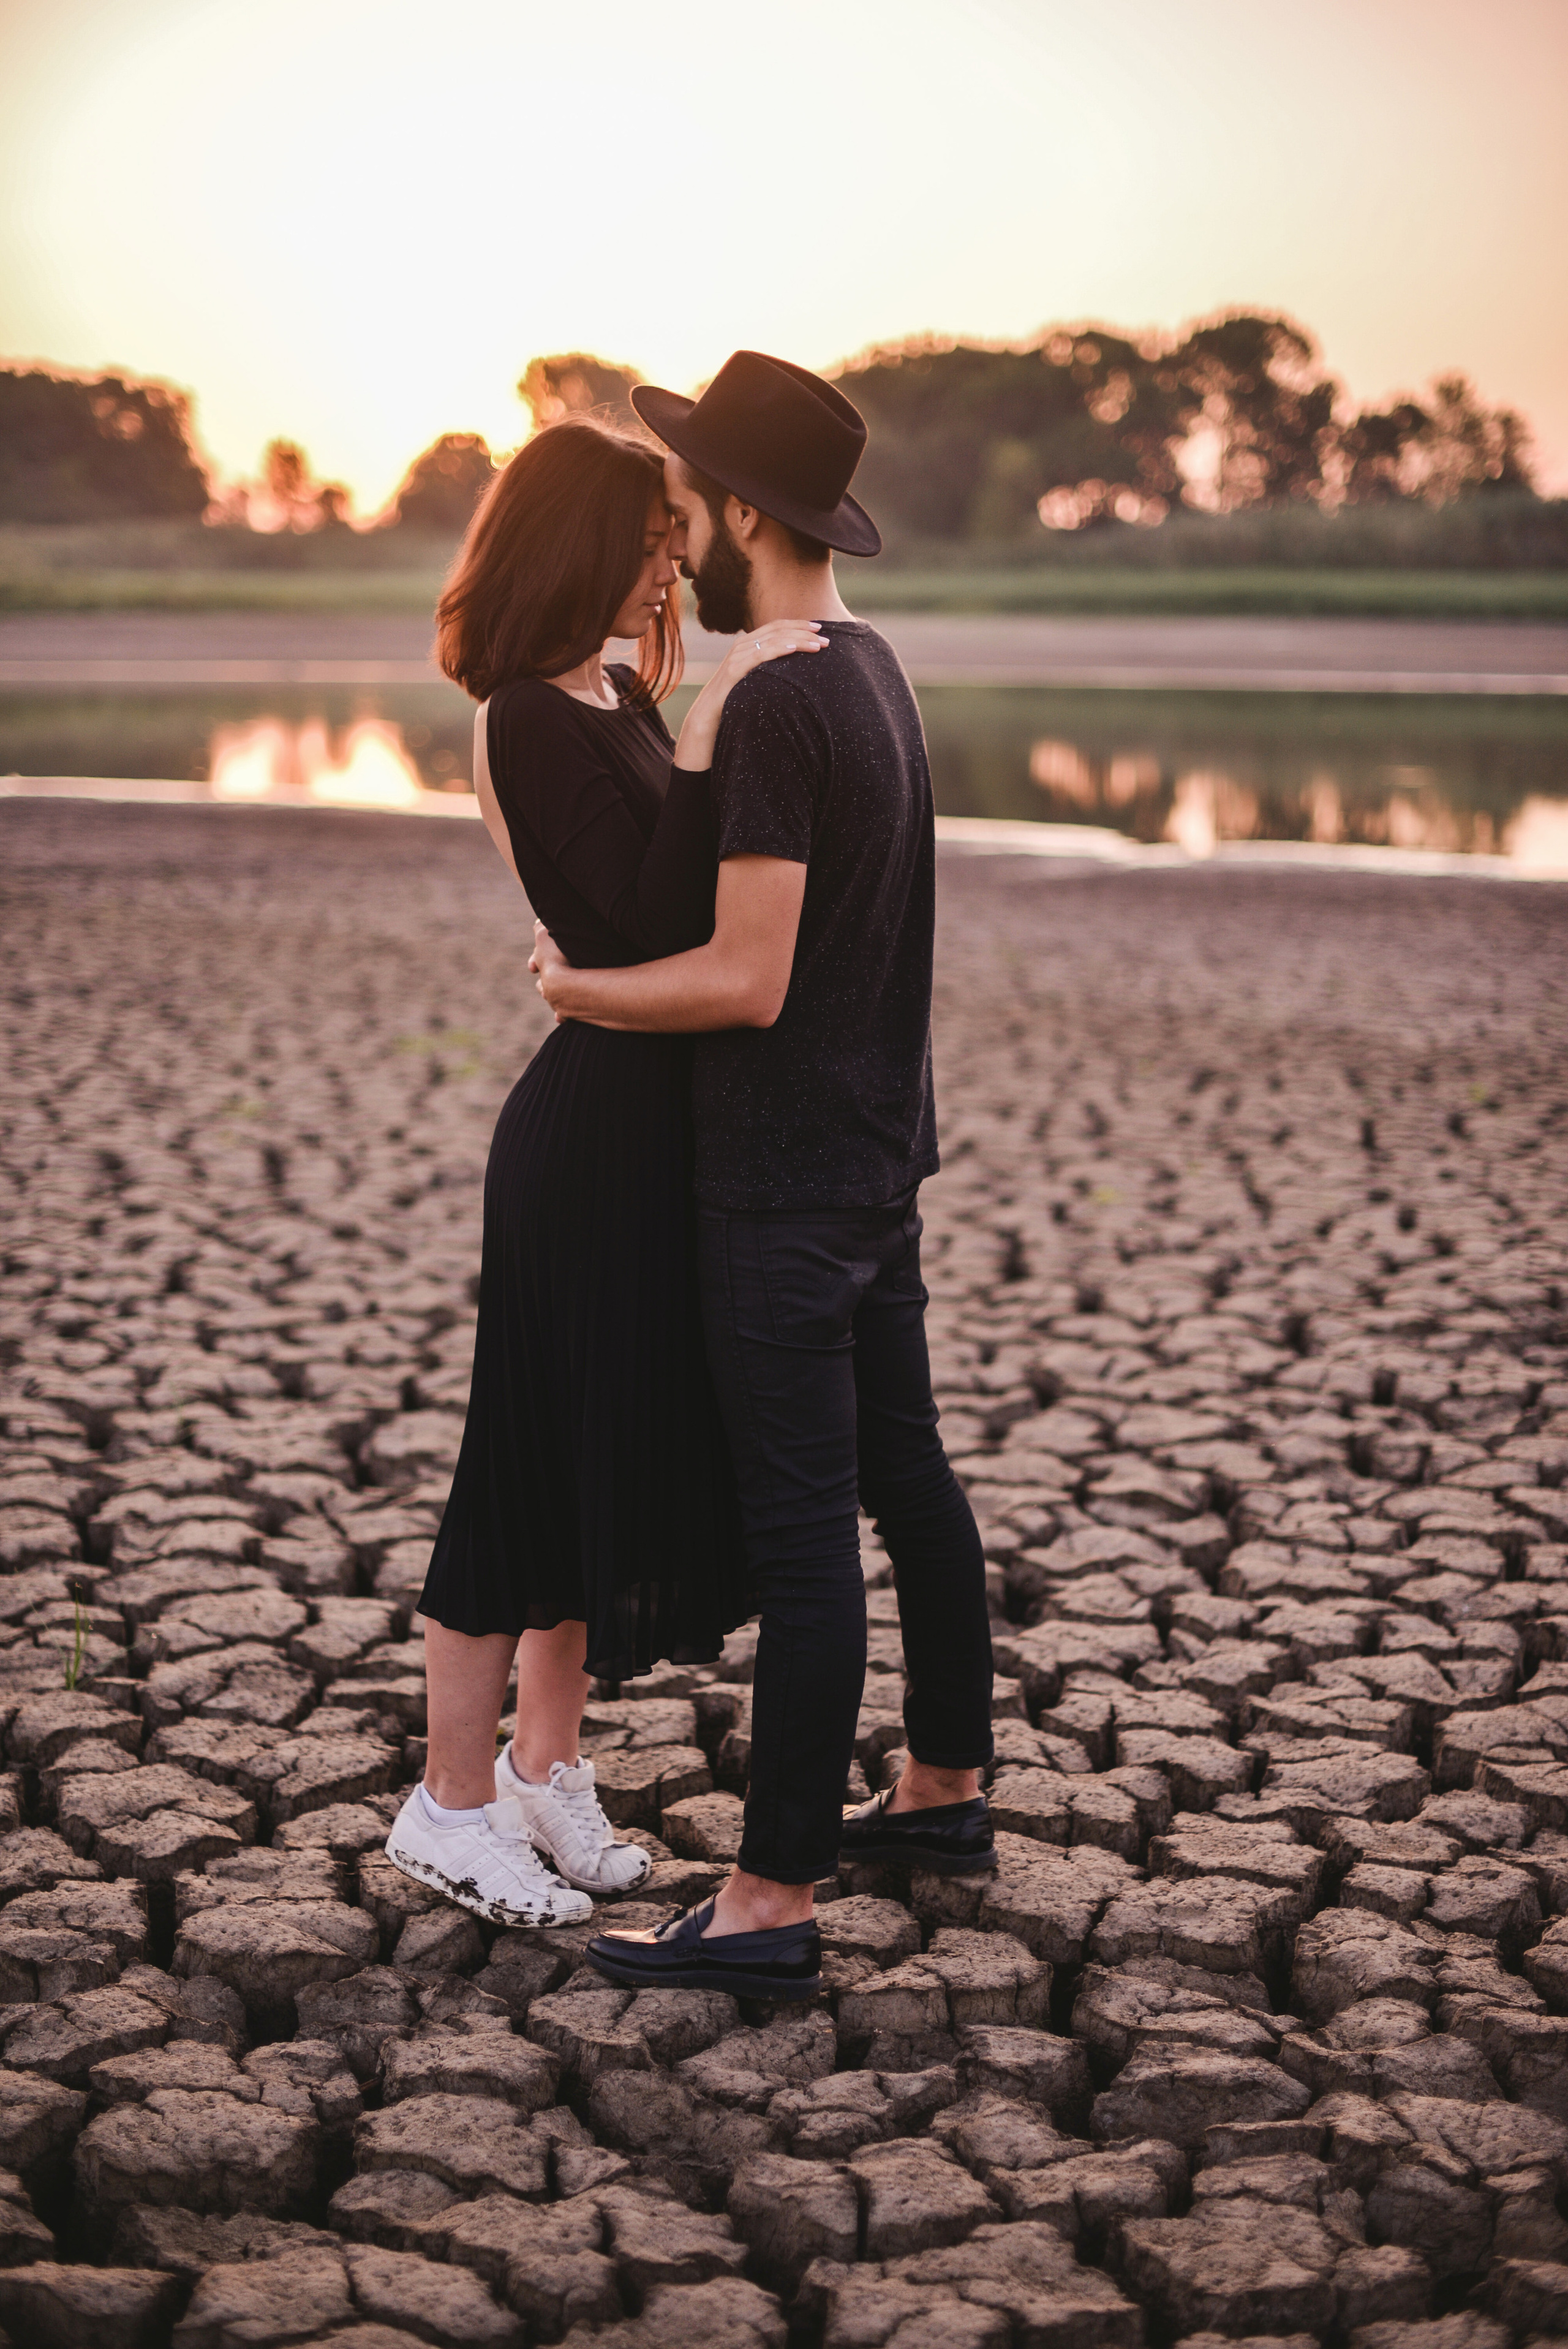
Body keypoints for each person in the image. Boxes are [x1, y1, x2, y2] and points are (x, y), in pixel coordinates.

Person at [530, 352, 997, 2000]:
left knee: (807, 1539)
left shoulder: (780, 699)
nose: (672, 535)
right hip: (875, 1164)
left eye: (684, 503)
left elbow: (745, 977)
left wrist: (578, 990)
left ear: (742, 514)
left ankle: (769, 1898)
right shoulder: (873, 670)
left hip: (786, 1187)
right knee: (909, 1481)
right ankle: (941, 1786)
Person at [384, 415, 823, 1928]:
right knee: (518, 1469)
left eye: (670, 540)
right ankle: (446, 1809)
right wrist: (715, 723)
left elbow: (683, 901)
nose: (669, 568)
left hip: (654, 1135)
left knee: (593, 1471)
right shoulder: (528, 713)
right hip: (581, 1150)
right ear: (578, 546)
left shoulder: (616, 694)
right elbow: (641, 920)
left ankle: (543, 1771)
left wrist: (688, 722)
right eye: (644, 544)